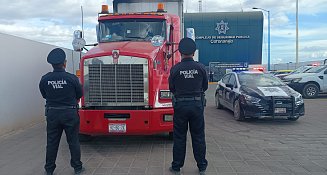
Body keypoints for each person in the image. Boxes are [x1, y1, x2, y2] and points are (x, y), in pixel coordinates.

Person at [39, 48, 85, 175]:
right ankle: (77, 168)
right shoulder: (72, 78)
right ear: (65, 63)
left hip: (53, 114)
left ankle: (49, 170)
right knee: (73, 141)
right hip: (70, 113)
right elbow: (80, 94)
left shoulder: (45, 79)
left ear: (52, 64)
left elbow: (44, 94)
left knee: (52, 142)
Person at [168, 38, 208, 175]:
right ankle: (202, 166)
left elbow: (171, 88)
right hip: (197, 105)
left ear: (180, 52)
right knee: (198, 136)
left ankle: (176, 166)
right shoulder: (200, 68)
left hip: (180, 106)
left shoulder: (175, 69)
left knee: (179, 137)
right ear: (194, 52)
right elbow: (205, 87)